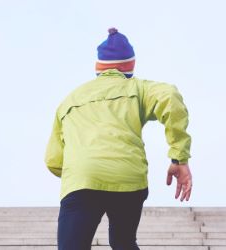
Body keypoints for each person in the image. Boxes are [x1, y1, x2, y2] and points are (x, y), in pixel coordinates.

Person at [44, 28, 193, 250]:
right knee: (123, 242)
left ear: (98, 66)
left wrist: (82, 168)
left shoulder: (70, 100)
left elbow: (53, 160)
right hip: (128, 177)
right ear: (129, 66)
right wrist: (178, 159)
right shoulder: (138, 88)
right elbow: (170, 96)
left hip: (83, 177)